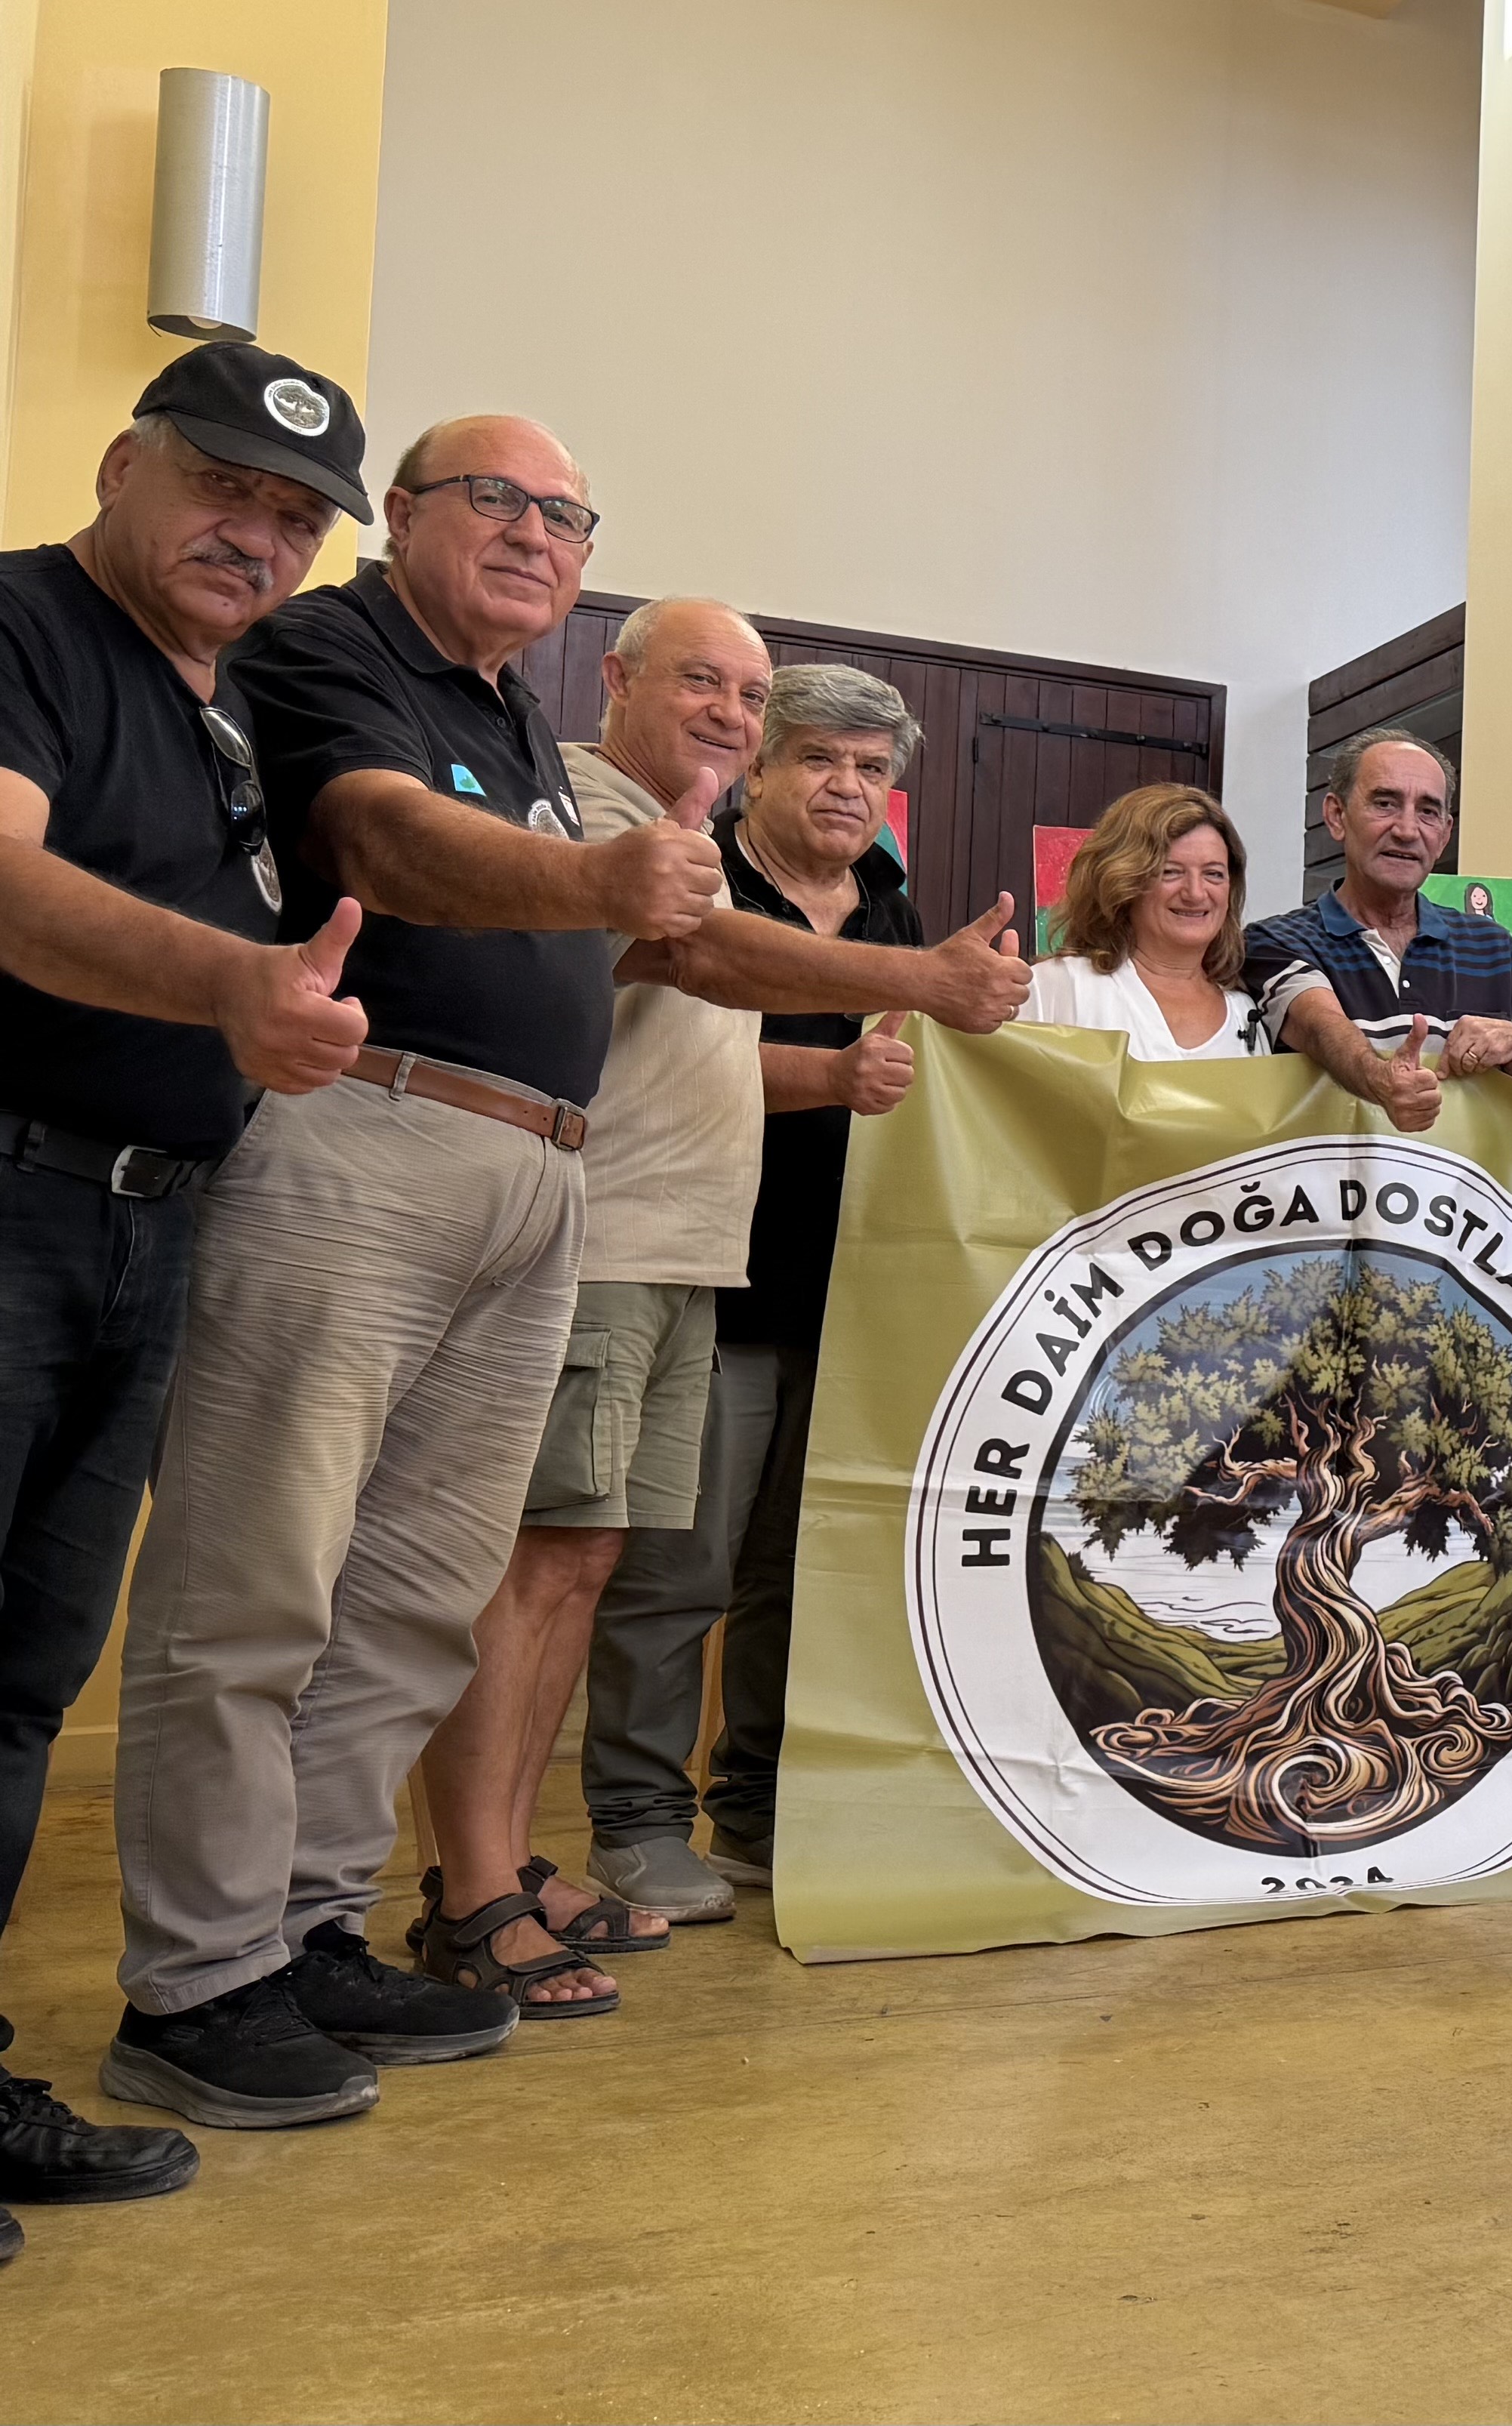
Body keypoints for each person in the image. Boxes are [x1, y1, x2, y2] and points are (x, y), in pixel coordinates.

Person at [104, 413, 729, 2129]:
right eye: (496, 499)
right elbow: (376, 839)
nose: (534, 533)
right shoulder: (335, 644)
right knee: (257, 1583)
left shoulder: (517, 709)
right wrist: (597, 876)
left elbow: (633, 930)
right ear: (401, 514)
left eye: (567, 516)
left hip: (533, 1167)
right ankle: (197, 1980)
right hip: (363, 1137)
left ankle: (306, 1932)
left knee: (411, 1599)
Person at [0, 344, 374, 2246]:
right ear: (120, 465)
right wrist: (231, 986)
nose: (260, 535)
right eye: (225, 487)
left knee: (20, 1681)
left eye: (297, 517)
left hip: (151, 1220)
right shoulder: (22, 623)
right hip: (15, 1194)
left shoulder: (220, 706)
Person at [567, 658, 1027, 1924]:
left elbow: (916, 1076)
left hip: (853, 1294)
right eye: (819, 757)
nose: (846, 786)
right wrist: (834, 1077)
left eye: (871, 769)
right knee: (676, 1571)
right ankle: (637, 1818)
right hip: (702, 1276)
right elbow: (673, 1062)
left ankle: (758, 1807)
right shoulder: (695, 874)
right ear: (757, 767)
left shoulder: (895, 908)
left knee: (796, 1570)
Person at [1241, 729, 1512, 1129]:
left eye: (1428, 811)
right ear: (1337, 816)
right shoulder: (1276, 942)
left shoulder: (1493, 947)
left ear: (1444, 835)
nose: (1407, 830)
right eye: (1385, 803)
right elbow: (1321, 1028)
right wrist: (1381, 1080)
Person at [1021, 785, 1269, 1058]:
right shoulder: (1060, 986)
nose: (1196, 893)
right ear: (1124, 881)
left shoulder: (1245, 1012)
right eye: (1170, 872)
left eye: (1213, 874)